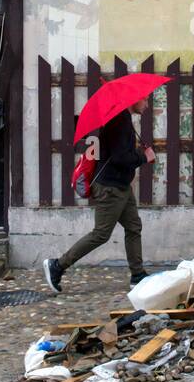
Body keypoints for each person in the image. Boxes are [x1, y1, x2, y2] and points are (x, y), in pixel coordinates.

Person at [43, 96, 155, 293]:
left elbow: (118, 152)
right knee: (101, 234)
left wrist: (138, 152)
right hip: (110, 188)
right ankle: (57, 266)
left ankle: (137, 275)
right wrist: (143, 157)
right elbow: (121, 158)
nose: (147, 105)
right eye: (144, 100)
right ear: (134, 100)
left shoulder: (123, 120)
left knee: (134, 226)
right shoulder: (121, 121)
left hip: (121, 186)